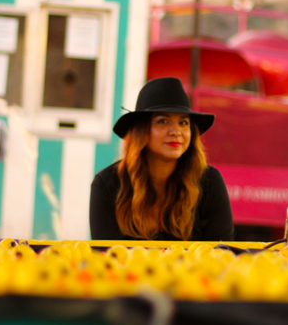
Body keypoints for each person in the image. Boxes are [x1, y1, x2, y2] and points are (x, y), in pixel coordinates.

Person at [90, 77, 234, 241]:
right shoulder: (107, 184)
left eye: (183, 122)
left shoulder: (209, 182)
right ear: (141, 130)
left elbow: (222, 255)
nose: (176, 131)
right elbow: (106, 257)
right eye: (163, 121)